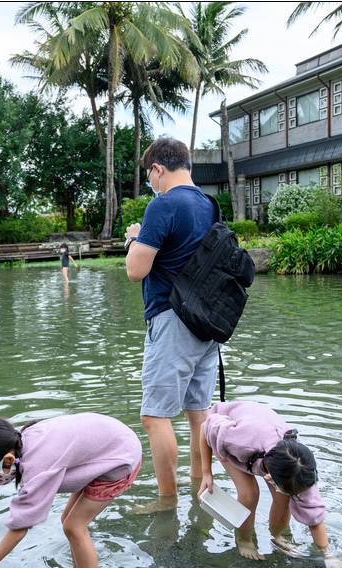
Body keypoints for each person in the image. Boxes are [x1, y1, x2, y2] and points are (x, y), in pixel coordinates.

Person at [124, 137, 218, 513]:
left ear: (158, 169)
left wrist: (133, 238)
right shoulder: (209, 204)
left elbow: (135, 270)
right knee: (199, 413)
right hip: (207, 321)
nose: (152, 182)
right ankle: (201, 486)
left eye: (151, 175)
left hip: (172, 319)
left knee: (155, 416)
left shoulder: (163, 205)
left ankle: (166, 500)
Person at [0, 413, 142, 568]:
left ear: (7, 459)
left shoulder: (37, 465)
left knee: (74, 527)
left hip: (120, 460)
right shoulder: (23, 439)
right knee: (67, 520)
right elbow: (11, 467)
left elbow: (19, 528)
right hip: (111, 444)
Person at [198, 400, 342, 568]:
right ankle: (244, 540)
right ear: (269, 477)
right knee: (249, 494)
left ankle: (278, 536)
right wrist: (206, 472)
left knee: (282, 497)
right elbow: (205, 426)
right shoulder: (238, 439)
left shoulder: (301, 470)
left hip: (264, 441)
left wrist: (328, 556)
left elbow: (315, 518)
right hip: (233, 435)